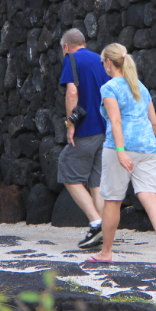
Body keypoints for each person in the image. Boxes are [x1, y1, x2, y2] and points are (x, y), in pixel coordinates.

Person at [84, 43, 156, 270]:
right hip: (148, 147)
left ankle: (106, 252)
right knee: (150, 198)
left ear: (108, 63)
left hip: (118, 148)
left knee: (112, 200)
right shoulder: (140, 87)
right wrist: (143, 143)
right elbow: (154, 123)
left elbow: (115, 121)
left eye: (103, 61)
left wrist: (122, 151)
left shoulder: (110, 87)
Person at [58, 29, 110, 249]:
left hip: (86, 129)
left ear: (66, 47)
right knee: (96, 183)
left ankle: (96, 222)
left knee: (67, 169)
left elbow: (72, 93)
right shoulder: (101, 60)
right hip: (106, 130)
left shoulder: (71, 59)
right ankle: (105, 231)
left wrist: (71, 125)